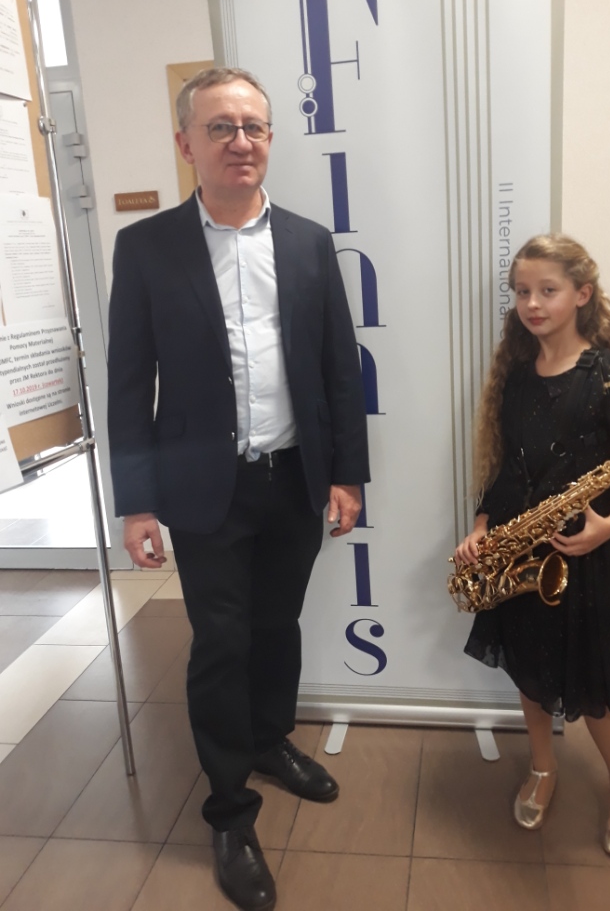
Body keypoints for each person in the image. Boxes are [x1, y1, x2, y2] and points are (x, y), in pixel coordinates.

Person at [107, 67, 369, 911]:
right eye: (220, 127)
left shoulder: (307, 241)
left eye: (253, 126)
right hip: (201, 488)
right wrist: (136, 502)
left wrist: (346, 474)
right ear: (186, 143)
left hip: (292, 478)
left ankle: (267, 740)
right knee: (220, 641)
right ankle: (228, 809)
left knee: (276, 626)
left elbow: (338, 369)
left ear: (270, 138)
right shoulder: (146, 248)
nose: (240, 141)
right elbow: (128, 383)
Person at [455, 233, 610, 858]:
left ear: (582, 294)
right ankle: (542, 767)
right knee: (529, 669)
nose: (532, 303)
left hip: (588, 555)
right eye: (522, 291)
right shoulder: (518, 378)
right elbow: (507, 470)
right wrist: (483, 525)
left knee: (595, 688)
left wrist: (609, 523)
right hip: (525, 558)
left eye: (548, 290)